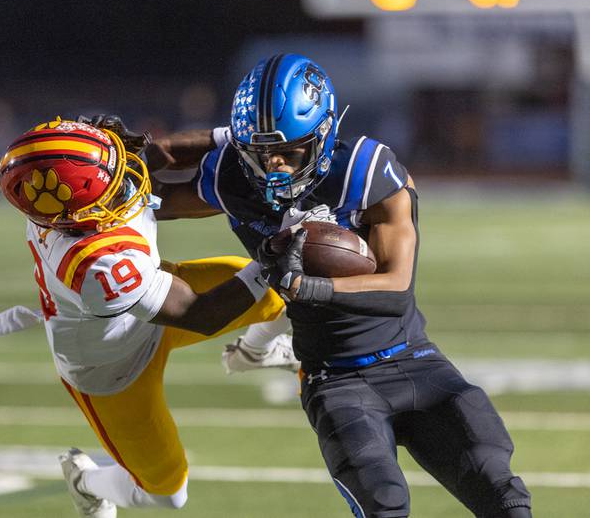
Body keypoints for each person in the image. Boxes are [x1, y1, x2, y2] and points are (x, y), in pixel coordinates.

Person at [150, 53, 532, 518]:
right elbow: (146, 197)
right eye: (260, 153)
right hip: (337, 378)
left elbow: (394, 290)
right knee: (384, 504)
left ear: (324, 135)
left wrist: (304, 287)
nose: (274, 169)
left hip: (414, 360)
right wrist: (100, 164)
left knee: (504, 496)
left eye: (288, 153)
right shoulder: (234, 178)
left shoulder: (366, 171)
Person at [0, 118, 283, 517]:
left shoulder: (64, 200)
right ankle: (86, 481)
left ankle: (254, 352)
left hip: (151, 293)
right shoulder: (94, 263)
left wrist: (246, 140)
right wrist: (273, 256)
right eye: (112, 185)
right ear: (81, 211)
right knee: (168, 493)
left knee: (289, 293)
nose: (127, 181)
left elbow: (160, 164)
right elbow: (197, 315)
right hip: (113, 366)